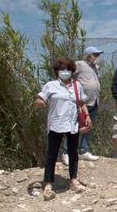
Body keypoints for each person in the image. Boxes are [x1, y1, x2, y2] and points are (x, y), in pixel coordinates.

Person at [35, 58, 92, 200]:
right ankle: (48, 183)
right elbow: (40, 99)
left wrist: (87, 115)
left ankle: (73, 179)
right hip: (56, 124)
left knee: (73, 153)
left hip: (72, 124)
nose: (65, 72)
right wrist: (40, 102)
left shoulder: (77, 85)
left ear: (72, 71)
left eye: (67, 70)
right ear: (56, 72)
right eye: (61, 70)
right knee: (52, 155)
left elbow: (81, 102)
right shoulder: (50, 85)